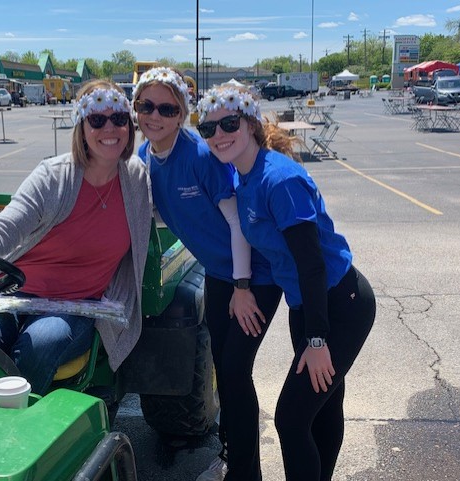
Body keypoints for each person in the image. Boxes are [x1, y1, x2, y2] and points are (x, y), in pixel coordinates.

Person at [196, 86, 376, 481]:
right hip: (306, 308)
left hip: (339, 306)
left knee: (291, 420)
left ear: (251, 124)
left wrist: (317, 340)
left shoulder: (279, 179)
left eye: (229, 123)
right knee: (321, 410)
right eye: (208, 128)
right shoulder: (244, 179)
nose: (219, 135)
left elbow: (311, 265)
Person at [0, 80, 152, 396]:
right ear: (82, 125)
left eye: (118, 118)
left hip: (76, 305)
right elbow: (7, 226)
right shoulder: (53, 176)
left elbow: (176, 197)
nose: (109, 128)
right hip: (8, 292)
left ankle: (17, 428)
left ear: (128, 125)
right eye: (97, 119)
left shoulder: (136, 180)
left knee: (42, 343)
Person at [132, 67, 282, 481]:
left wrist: (243, 285)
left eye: (166, 108)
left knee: (234, 372)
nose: (155, 116)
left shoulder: (199, 154)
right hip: (220, 274)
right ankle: (231, 455)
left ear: (180, 114)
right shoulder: (144, 158)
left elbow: (238, 225)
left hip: (257, 274)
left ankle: (245, 474)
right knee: (224, 366)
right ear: (136, 110)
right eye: (147, 106)